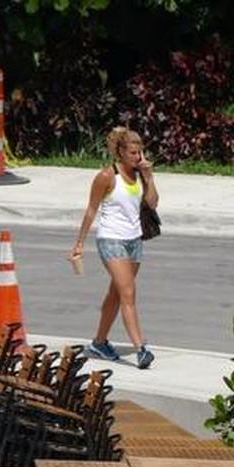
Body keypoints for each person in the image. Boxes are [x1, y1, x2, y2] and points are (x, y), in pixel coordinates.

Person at [70, 126, 158, 369]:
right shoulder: (107, 176)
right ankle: (141, 349)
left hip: (134, 240)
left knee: (117, 293)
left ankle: (99, 343)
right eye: (132, 153)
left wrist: (149, 177)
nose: (137, 157)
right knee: (128, 293)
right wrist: (79, 242)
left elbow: (152, 203)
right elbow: (91, 209)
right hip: (111, 240)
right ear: (120, 151)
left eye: (139, 152)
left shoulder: (140, 174)